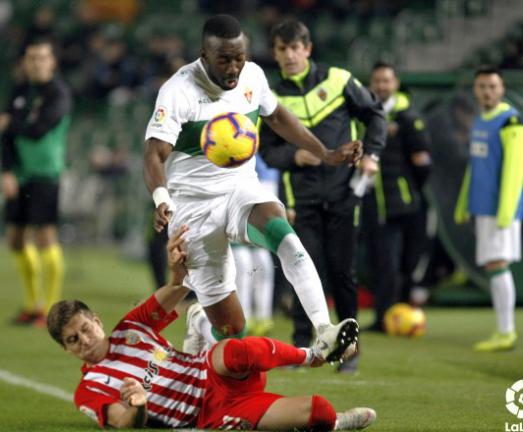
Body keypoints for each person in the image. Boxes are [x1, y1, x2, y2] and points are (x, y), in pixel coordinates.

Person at [143, 14, 361, 362]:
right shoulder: (178, 90)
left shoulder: (253, 76)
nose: (233, 68)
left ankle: (324, 330)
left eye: (239, 58)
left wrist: (325, 152)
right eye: (223, 60)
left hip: (240, 188)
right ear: (204, 54)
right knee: (233, 331)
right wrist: (160, 198)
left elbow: (276, 116)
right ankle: (200, 321)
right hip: (192, 206)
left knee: (285, 235)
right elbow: (155, 154)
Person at [47, 226, 375, 430]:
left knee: (235, 349)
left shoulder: (131, 327)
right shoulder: (88, 390)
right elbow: (121, 422)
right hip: (208, 415)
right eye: (73, 340)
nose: (84, 341)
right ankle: (337, 424)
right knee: (319, 410)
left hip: (211, 372)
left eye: (85, 329)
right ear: (66, 349)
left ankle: (314, 354)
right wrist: (138, 403)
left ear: (97, 321)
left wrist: (178, 268)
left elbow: (175, 287)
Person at [258, 19, 386, 372]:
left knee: (342, 272)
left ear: (308, 49)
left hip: (344, 194)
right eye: (282, 50)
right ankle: (303, 349)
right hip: (301, 200)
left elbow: (375, 115)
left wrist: (371, 154)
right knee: (303, 269)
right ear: (275, 54)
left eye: (295, 48)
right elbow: (267, 151)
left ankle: (350, 351)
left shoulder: (339, 80)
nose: (290, 55)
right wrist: (294, 156)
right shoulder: (270, 97)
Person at [0, 38, 72, 327]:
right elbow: (2, 136)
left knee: (44, 237)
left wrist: (10, 124)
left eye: (42, 58)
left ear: (52, 62)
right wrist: (6, 171)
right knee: (15, 239)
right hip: (19, 175)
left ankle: (52, 311)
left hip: (46, 174)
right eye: (31, 58)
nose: (36, 63)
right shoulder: (19, 92)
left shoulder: (59, 94)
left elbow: (39, 129)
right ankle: (32, 305)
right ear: (25, 62)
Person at [455, 66, 523, 352]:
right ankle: (503, 330)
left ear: (502, 89)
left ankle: (506, 331)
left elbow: (516, 168)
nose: (487, 92)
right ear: (476, 90)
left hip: (500, 209)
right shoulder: (479, 121)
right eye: (482, 86)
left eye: (492, 86)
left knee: (497, 264)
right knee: (493, 265)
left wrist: (507, 209)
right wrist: (464, 203)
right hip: (482, 207)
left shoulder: (511, 122)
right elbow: (475, 168)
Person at [363, 62, 432, 332]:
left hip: (404, 205)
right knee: (381, 263)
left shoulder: (407, 117)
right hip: (374, 202)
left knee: (401, 263)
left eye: (386, 81)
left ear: (396, 83)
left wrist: (408, 190)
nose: (381, 86)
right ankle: (386, 317)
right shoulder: (365, 115)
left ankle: (394, 315)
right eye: (377, 81)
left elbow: (424, 162)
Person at [232, 154, 279, 336]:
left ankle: (246, 317)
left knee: (243, 255)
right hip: (266, 179)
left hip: (244, 178)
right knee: (259, 253)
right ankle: (262, 317)